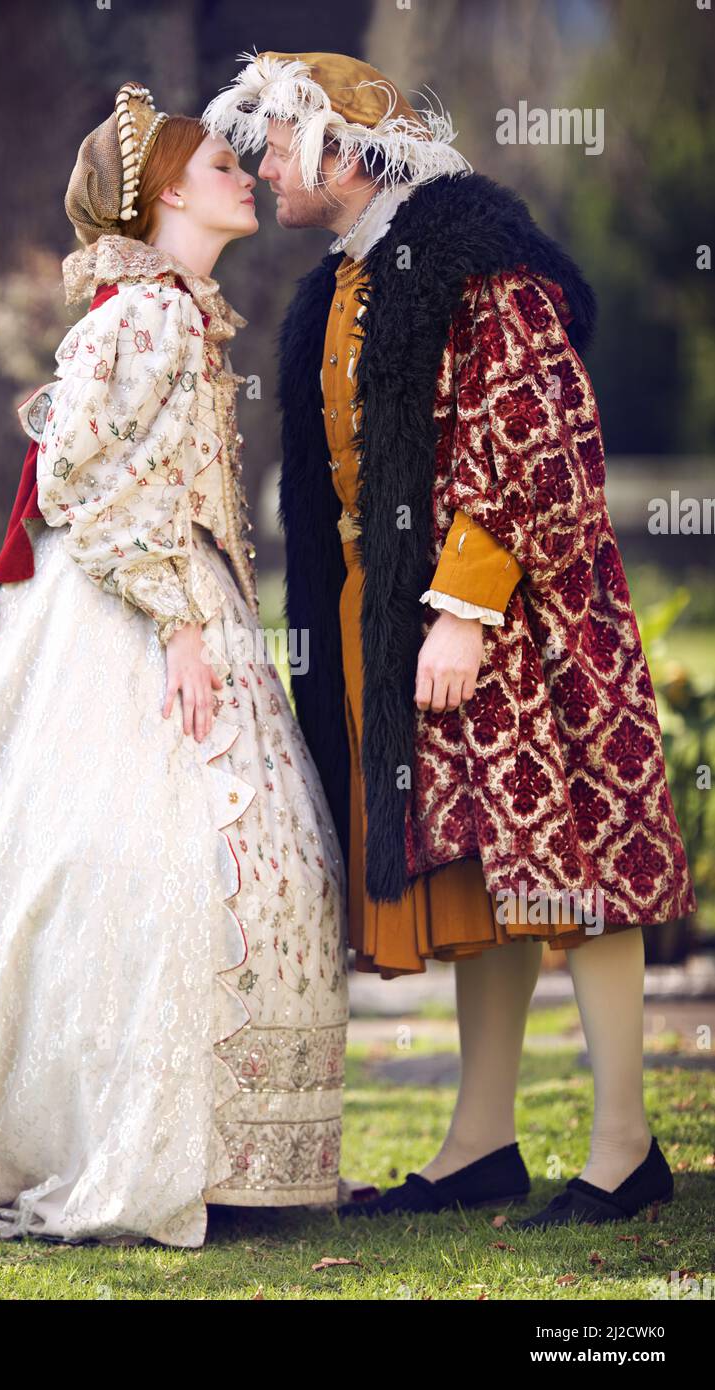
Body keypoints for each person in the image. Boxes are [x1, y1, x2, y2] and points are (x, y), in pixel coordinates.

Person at [0, 81, 350, 1247]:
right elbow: (76, 479)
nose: (244, 176)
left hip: (180, 598)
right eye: (218, 167)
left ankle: (221, 1148)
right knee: (143, 858)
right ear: (162, 197)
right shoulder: (142, 318)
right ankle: (129, 1141)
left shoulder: (174, 313)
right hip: (130, 611)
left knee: (231, 860)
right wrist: (178, 622)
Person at [202, 51, 696, 1226]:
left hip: (526, 620)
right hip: (402, 621)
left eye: (278, 145)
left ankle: (625, 1150)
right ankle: (480, 1143)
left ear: (340, 149)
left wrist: (465, 609)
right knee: (485, 872)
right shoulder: (345, 283)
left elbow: (540, 437)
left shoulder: (482, 263)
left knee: (574, 870)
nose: (264, 168)